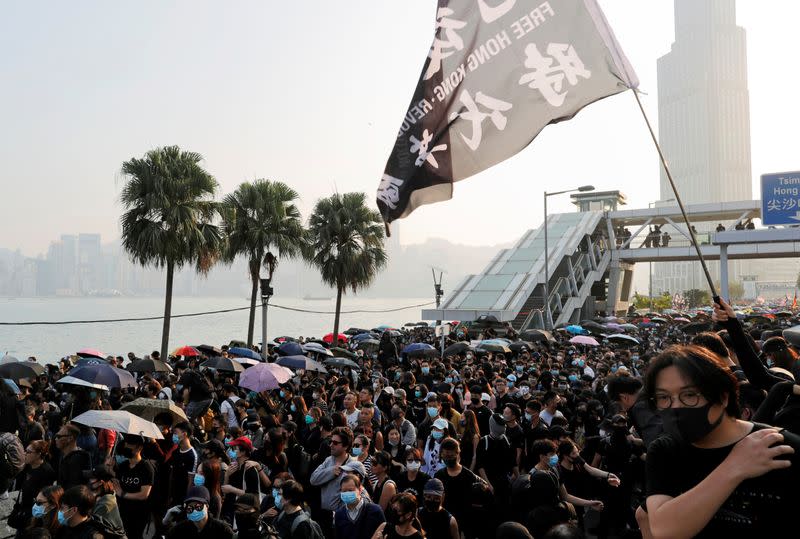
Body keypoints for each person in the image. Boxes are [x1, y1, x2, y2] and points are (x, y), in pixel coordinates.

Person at [644, 344, 799, 537]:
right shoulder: (666, 450)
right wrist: (734, 467)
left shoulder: (780, 448)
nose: (675, 407)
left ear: (723, 397)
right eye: (663, 397)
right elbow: (664, 529)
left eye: (690, 395)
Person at [112, 434, 155, 539]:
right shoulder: (123, 466)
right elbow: (115, 484)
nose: (126, 447)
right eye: (126, 444)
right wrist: (109, 468)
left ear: (139, 448)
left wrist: (123, 494)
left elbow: (144, 494)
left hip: (138, 514)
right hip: (120, 512)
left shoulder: (146, 468)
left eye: (130, 445)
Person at [15, 439, 56, 532]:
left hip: (33, 516)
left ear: (38, 454)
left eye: (28, 452)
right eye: (25, 451)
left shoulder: (47, 472)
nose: (25, 453)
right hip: (23, 510)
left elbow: (44, 500)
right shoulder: (28, 466)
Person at [166, 486, 234, 539]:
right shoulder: (179, 530)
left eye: (198, 506)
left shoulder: (222, 530)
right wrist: (165, 522)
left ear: (207, 506)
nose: (194, 511)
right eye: (190, 508)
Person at [333, 473, 385, 539]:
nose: (347, 493)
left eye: (350, 490)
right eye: (344, 491)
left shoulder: (375, 510)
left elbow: (384, 533)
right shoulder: (339, 514)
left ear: (360, 490)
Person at [84, 464, 125, 538]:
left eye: (92, 478)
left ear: (101, 482)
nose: (89, 480)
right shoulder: (100, 496)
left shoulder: (106, 504)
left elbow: (91, 525)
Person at [54, 424, 91, 491]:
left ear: (70, 438)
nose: (56, 439)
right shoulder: (63, 454)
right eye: (56, 436)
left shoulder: (79, 459)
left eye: (59, 436)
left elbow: (74, 488)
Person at [171, 421, 199, 506]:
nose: (174, 436)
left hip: (183, 497)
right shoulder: (175, 452)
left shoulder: (192, 455)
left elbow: (191, 481)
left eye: (176, 433)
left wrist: (186, 501)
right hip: (173, 494)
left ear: (184, 434)